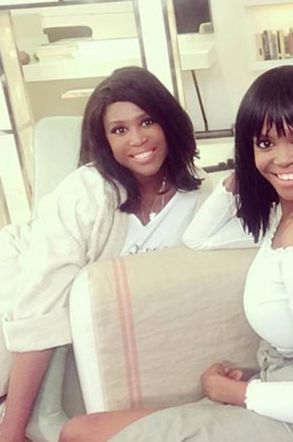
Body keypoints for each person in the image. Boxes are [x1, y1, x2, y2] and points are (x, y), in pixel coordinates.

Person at [60, 65, 293, 442]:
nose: (282, 159)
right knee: (80, 430)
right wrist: (243, 175)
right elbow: (198, 238)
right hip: (290, 388)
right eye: (265, 143)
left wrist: (230, 392)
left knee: (84, 435)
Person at [0, 66, 211, 442]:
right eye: (119, 130)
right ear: (105, 141)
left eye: (147, 121)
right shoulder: (88, 192)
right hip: (20, 274)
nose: (137, 138)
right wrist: (12, 431)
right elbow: (40, 303)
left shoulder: (203, 197)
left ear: (168, 122)